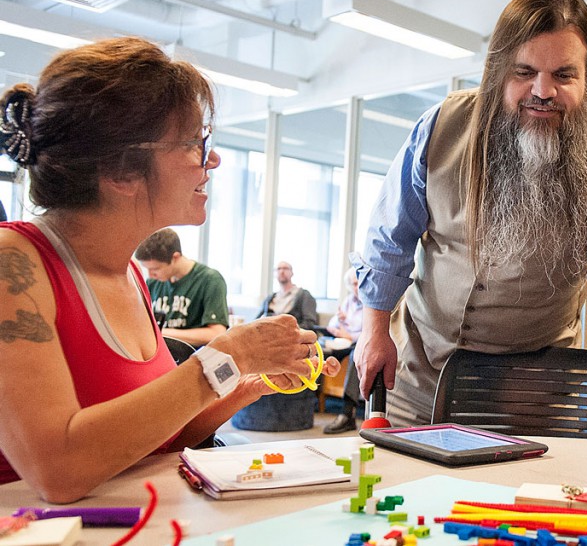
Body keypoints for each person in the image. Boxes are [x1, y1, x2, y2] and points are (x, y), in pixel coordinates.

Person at [352, 0, 587, 456]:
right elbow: (390, 237)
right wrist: (374, 332)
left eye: (563, 75)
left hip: (531, 397)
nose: (543, 91)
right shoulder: (441, 128)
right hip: (419, 379)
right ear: (497, 71)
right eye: (525, 72)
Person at [0, 37, 340, 502]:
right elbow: (58, 469)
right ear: (120, 172)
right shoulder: (11, 263)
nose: (212, 159)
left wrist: (247, 383)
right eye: (194, 143)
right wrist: (226, 355)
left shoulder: (130, 275)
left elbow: (154, 439)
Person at [135, 227, 229, 347]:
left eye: (155, 269)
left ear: (175, 257)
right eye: (146, 269)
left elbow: (216, 333)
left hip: (193, 358)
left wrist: (161, 333)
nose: (150, 275)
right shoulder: (152, 283)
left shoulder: (210, 280)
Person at [323, 267, 364, 434]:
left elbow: (371, 334)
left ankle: (347, 414)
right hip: (343, 342)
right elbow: (331, 326)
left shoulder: (371, 303)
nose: (358, 287)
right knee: (320, 349)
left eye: (360, 282)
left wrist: (349, 336)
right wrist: (338, 324)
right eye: (354, 284)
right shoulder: (348, 301)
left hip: (358, 344)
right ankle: (307, 402)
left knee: (357, 355)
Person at [256, 261, 318, 329]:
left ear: (292, 273)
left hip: (292, 335)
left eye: (285, 268)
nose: (281, 271)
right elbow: (256, 321)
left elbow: (309, 324)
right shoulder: (270, 298)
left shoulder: (304, 295)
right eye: (278, 269)